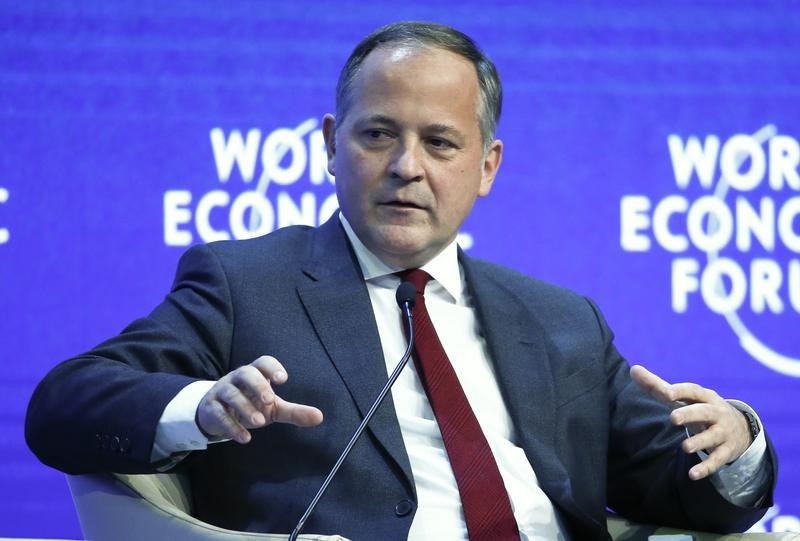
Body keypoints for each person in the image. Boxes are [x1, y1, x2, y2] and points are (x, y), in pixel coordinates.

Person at [26, 21, 776, 541]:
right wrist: (203, 406)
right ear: (329, 143)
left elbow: (683, 485)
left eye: (440, 142)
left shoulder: (561, 319)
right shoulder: (246, 283)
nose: (405, 166)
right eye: (377, 133)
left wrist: (736, 443)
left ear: (487, 168)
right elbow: (65, 403)